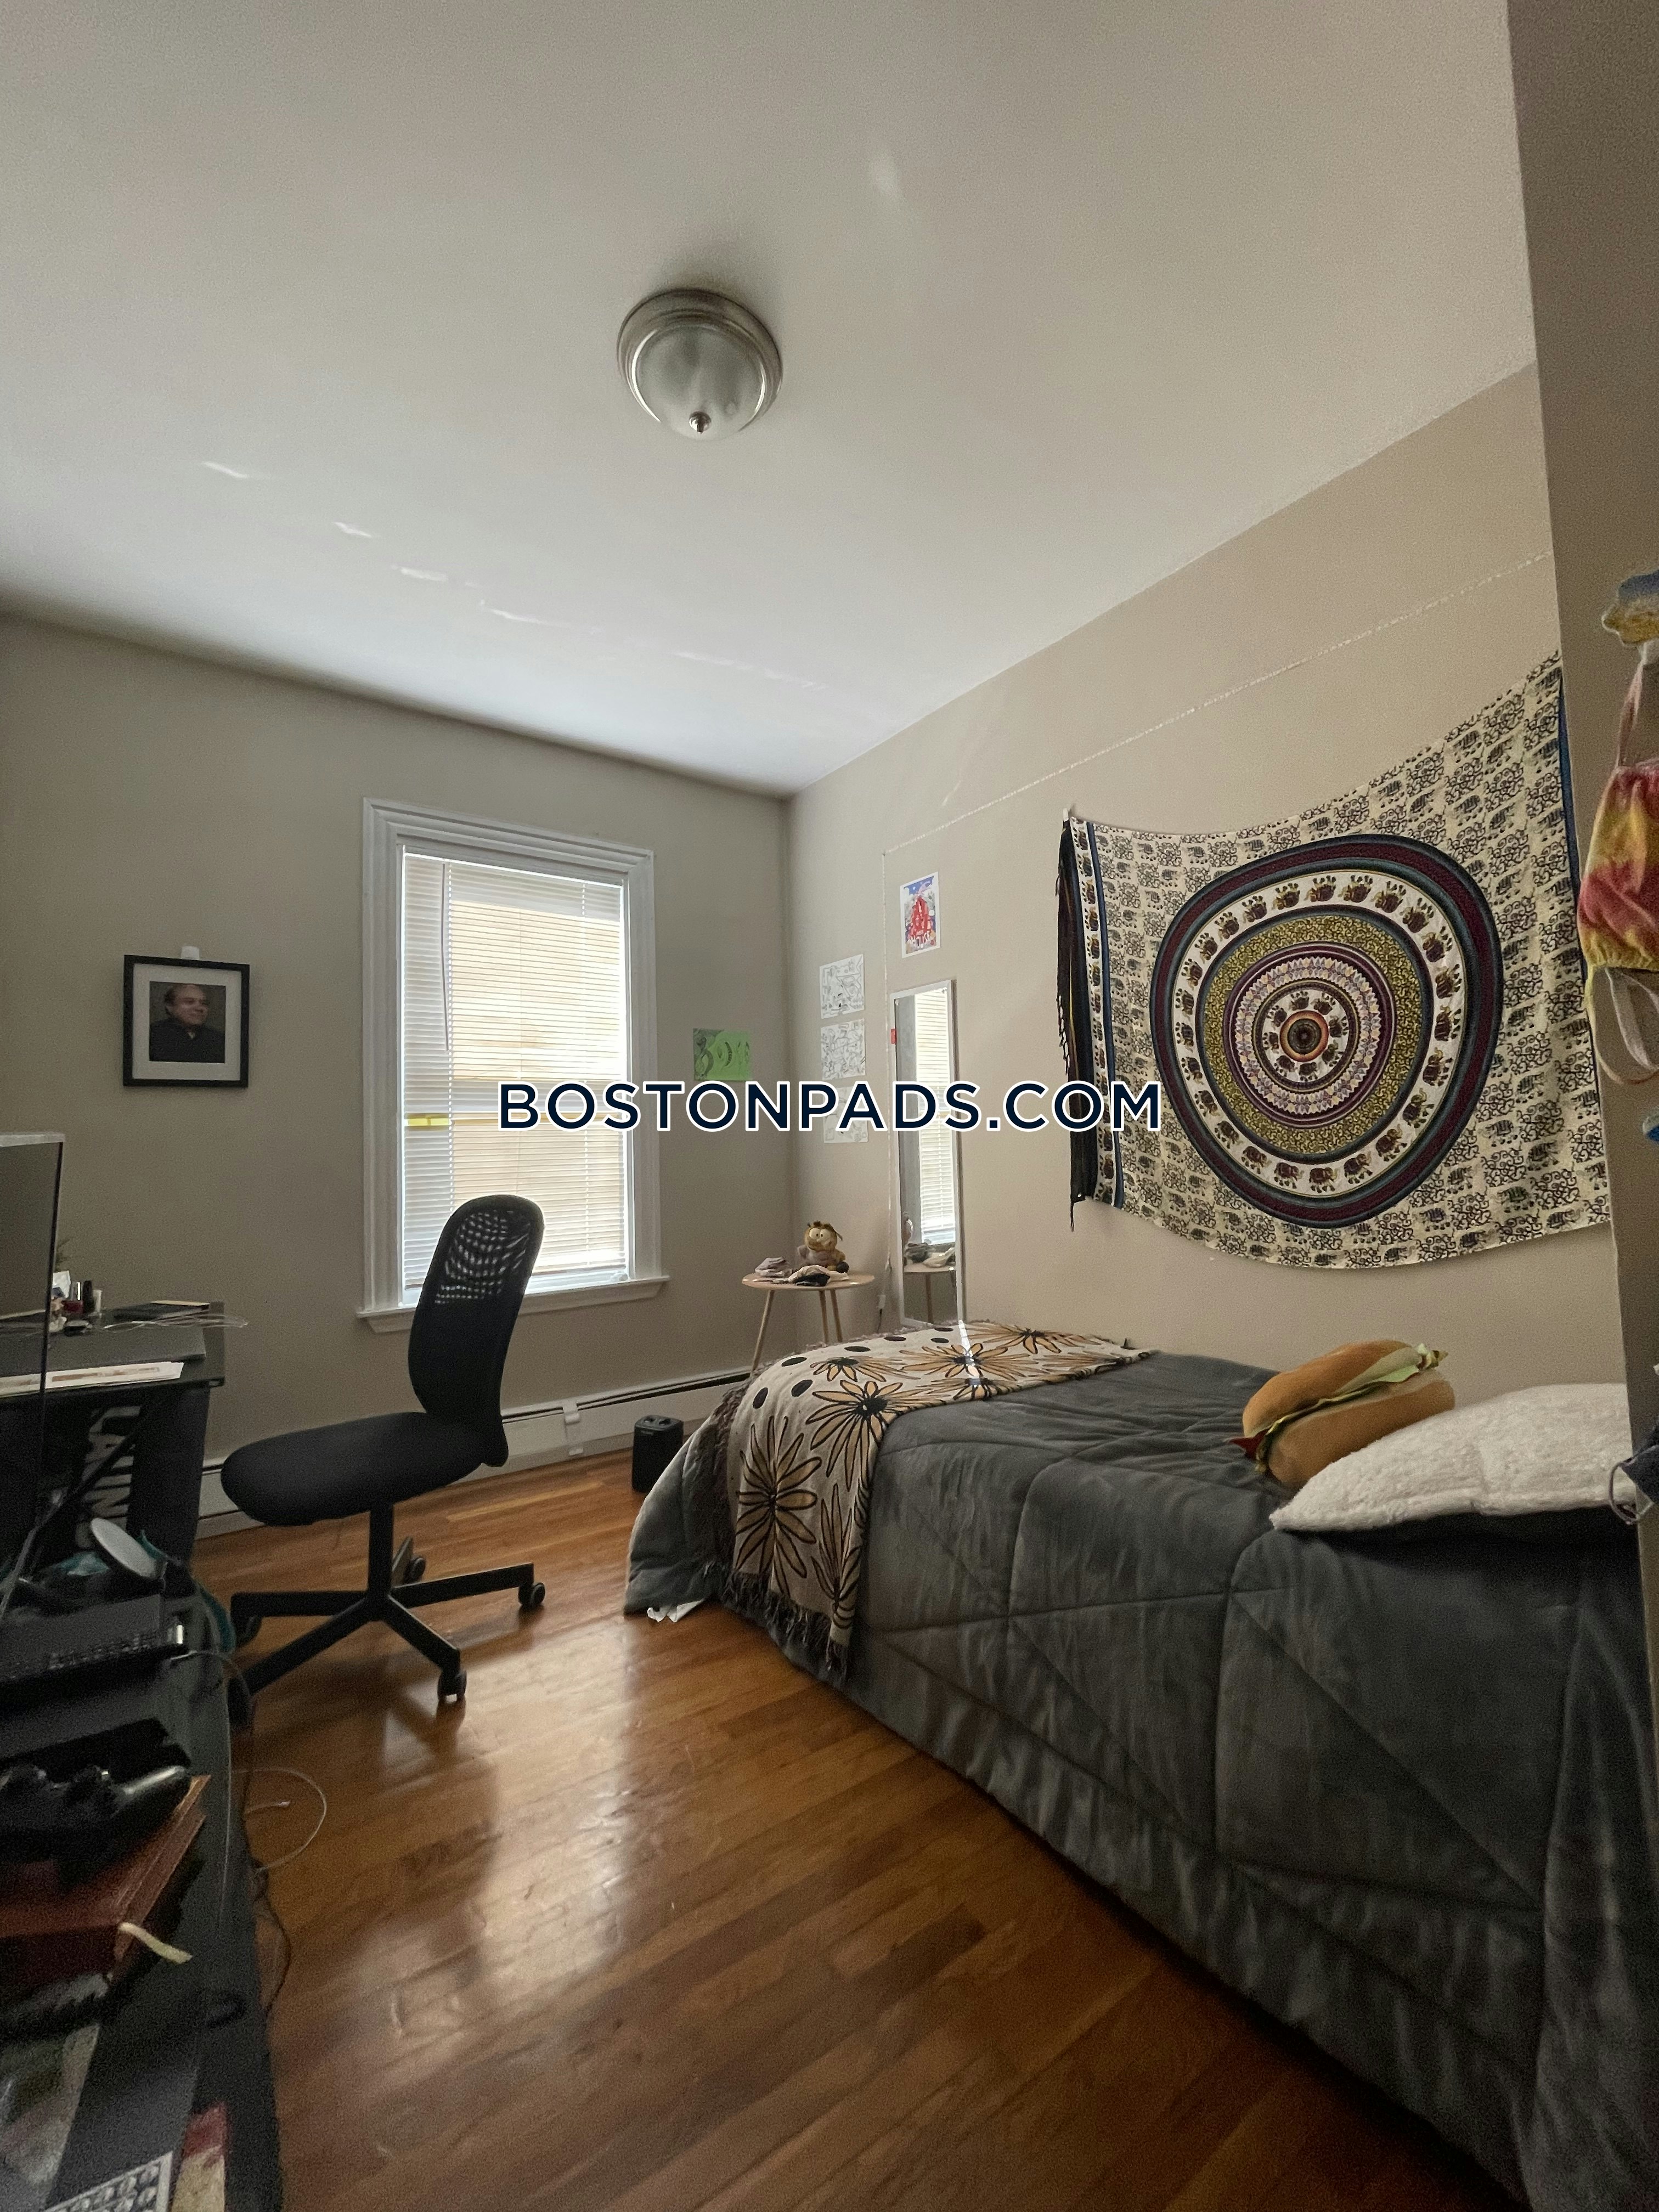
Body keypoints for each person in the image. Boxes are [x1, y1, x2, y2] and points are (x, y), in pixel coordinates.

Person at [149, 980, 225, 1064]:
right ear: (170, 1007)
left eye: (204, 1003)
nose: (199, 1008)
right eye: (189, 1002)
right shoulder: (152, 1035)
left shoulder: (219, 1039)